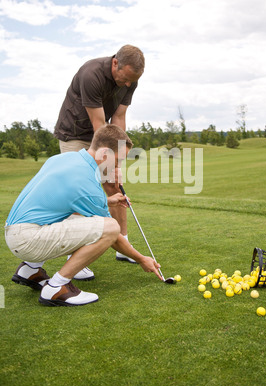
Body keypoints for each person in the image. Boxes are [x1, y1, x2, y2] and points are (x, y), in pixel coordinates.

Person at [5, 124, 162, 307]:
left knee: (80, 216)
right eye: (118, 160)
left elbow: (68, 200)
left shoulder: (65, 158)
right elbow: (114, 237)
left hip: (15, 231)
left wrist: (108, 201)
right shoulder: (87, 183)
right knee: (111, 227)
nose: (118, 166)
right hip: (28, 239)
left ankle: (30, 269)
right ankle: (57, 287)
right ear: (104, 155)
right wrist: (142, 259)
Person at [54, 45, 145, 278]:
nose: (127, 85)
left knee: (114, 185)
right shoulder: (91, 74)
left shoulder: (130, 80)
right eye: (125, 78)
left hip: (102, 134)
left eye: (131, 82)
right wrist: (110, 162)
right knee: (78, 191)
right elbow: (98, 124)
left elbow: (119, 117)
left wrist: (118, 158)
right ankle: (74, 256)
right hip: (75, 135)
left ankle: (123, 243)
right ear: (115, 63)